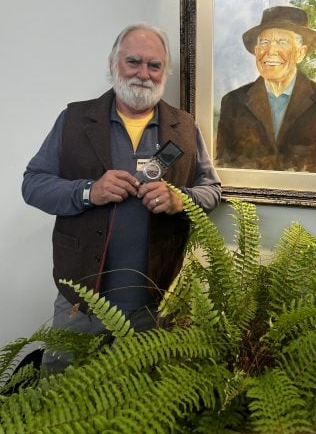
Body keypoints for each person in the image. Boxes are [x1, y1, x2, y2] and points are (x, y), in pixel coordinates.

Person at [22, 23, 221, 367]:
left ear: (164, 72)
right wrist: (88, 191)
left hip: (154, 303)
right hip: (80, 303)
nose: (144, 73)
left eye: (154, 65)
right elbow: (33, 184)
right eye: (134, 62)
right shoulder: (73, 120)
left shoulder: (185, 127)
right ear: (114, 65)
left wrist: (180, 199)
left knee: (141, 405)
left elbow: (212, 190)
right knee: (62, 401)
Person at [215, 5, 316, 173]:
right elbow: (223, 166)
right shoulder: (232, 103)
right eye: (264, 42)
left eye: (282, 42)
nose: (270, 51)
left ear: (300, 53)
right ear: (256, 51)